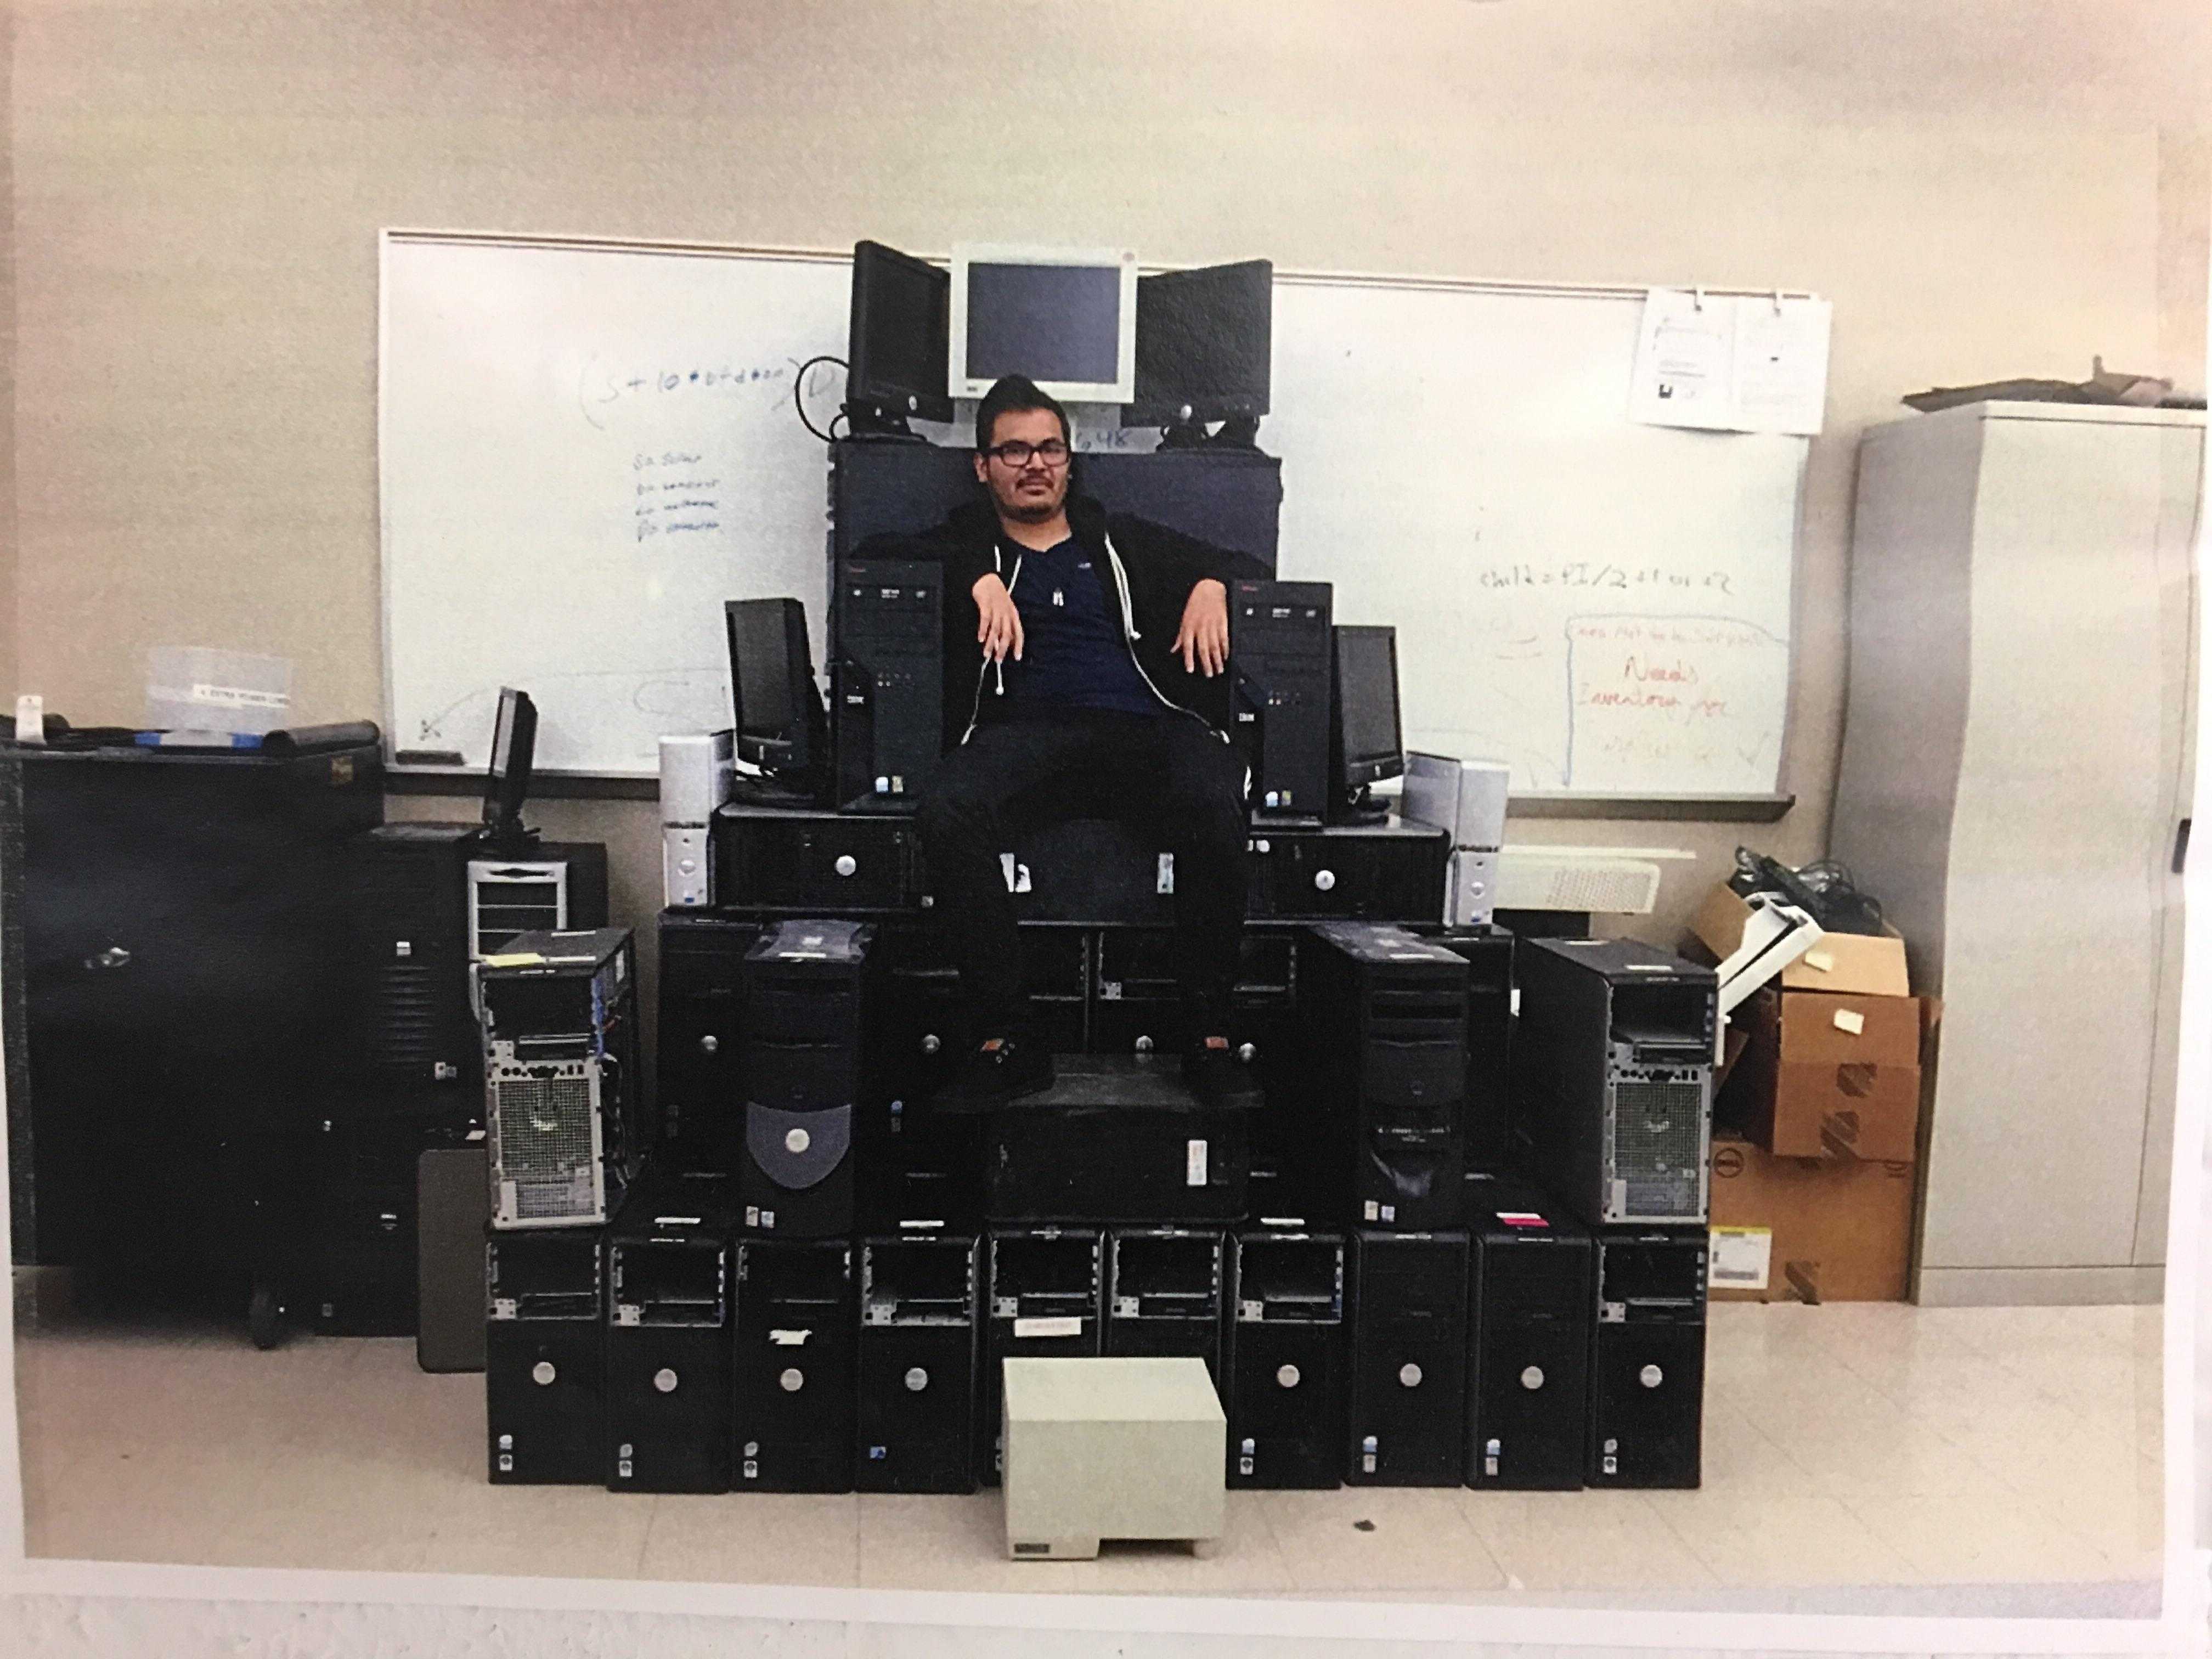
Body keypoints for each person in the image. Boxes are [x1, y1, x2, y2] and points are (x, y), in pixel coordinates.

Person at [907, 374, 1264, 1109]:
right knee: (945, 808)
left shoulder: (1117, 540)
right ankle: (1009, 1038)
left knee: (1216, 792)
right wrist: (977, 578)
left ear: (1069, 461)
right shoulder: (964, 541)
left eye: (1049, 449)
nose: (1034, 464)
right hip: (1025, 734)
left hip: (1140, 728)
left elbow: (1250, 566)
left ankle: (1208, 1035)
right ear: (984, 467)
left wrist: (1211, 586)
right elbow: (884, 554)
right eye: (1013, 450)